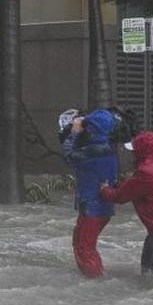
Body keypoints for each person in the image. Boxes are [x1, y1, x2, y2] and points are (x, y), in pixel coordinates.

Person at [99, 130, 153, 288]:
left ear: (141, 151)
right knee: (148, 262)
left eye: (134, 150)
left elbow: (121, 196)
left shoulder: (147, 171)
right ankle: (148, 290)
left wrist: (104, 190)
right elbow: (135, 185)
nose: (131, 154)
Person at [61, 108, 119, 278]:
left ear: (92, 129)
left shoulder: (97, 149)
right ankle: (94, 276)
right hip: (97, 205)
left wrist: (73, 134)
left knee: (84, 248)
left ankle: (97, 281)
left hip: (94, 206)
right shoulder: (103, 146)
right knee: (81, 243)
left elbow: (69, 157)